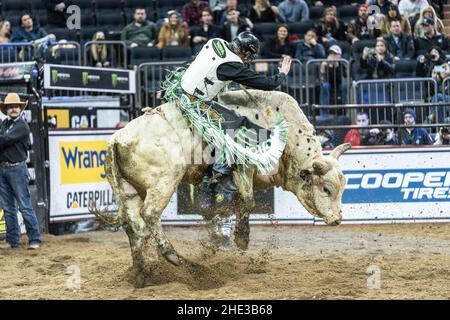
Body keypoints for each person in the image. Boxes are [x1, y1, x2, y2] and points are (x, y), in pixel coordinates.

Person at [173, 32, 291, 197]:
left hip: (179, 90)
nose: (248, 58)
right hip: (195, 103)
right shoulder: (232, 66)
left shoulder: (216, 41)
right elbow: (266, 83)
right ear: (245, 52)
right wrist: (282, 74)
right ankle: (220, 173)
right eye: (249, 55)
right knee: (237, 124)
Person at [0, 93, 42, 250]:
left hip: (17, 168)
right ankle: (12, 241)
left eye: (16, 106)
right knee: (8, 207)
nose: (13, 109)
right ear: (6, 109)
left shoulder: (22, 125)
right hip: (3, 168)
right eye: (10, 107)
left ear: (20, 109)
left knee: (24, 206)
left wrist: (2, 138)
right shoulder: (4, 124)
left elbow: (4, 140)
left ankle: (35, 239)